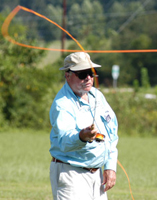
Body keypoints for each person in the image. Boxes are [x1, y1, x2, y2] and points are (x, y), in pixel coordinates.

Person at [49, 52, 118, 200]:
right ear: (68, 75)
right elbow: (63, 142)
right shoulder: (63, 104)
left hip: (97, 175)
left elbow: (112, 132)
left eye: (91, 73)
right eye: (82, 74)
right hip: (71, 174)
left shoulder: (97, 96)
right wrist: (81, 137)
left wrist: (110, 166)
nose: (88, 78)